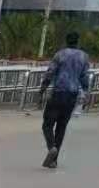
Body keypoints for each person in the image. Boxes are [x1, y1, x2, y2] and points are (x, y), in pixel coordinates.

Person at [39, 31, 91, 169]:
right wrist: (86, 94)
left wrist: (43, 88)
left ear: (66, 41)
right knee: (61, 127)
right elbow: (85, 78)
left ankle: (51, 147)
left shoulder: (60, 54)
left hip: (58, 93)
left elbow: (50, 73)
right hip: (72, 95)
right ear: (78, 42)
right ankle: (54, 161)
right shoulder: (84, 57)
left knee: (47, 125)